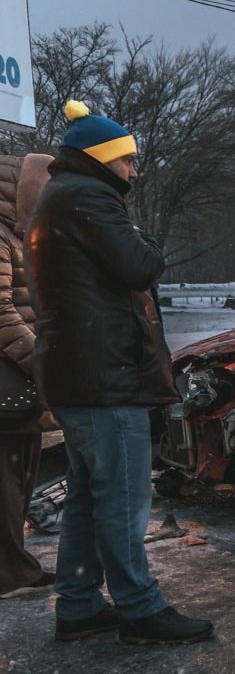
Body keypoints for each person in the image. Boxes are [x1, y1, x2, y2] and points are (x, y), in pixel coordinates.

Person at [26, 101, 213, 643]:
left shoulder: (60, 197)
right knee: (125, 500)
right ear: (102, 159)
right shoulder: (88, 197)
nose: (134, 170)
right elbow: (141, 264)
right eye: (127, 160)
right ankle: (139, 606)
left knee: (87, 497)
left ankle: (80, 605)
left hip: (80, 376)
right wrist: (149, 239)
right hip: (105, 379)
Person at [0, 153, 55, 601]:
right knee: (8, 481)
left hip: (19, 384)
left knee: (18, 480)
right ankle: (9, 572)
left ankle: (16, 565)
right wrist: (44, 360)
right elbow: (1, 314)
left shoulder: (16, 235)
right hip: (10, 385)